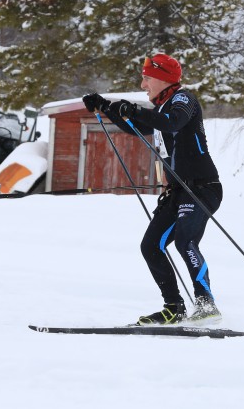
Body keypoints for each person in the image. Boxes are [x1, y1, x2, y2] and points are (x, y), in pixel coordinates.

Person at [82, 53, 223, 325]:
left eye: (147, 78)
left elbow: (173, 122)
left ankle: (206, 303)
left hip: (202, 188)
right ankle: (174, 308)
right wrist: (105, 106)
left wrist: (133, 110)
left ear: (162, 78)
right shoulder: (160, 109)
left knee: (185, 241)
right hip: (179, 191)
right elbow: (134, 127)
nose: (143, 84)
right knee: (151, 246)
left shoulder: (183, 100)